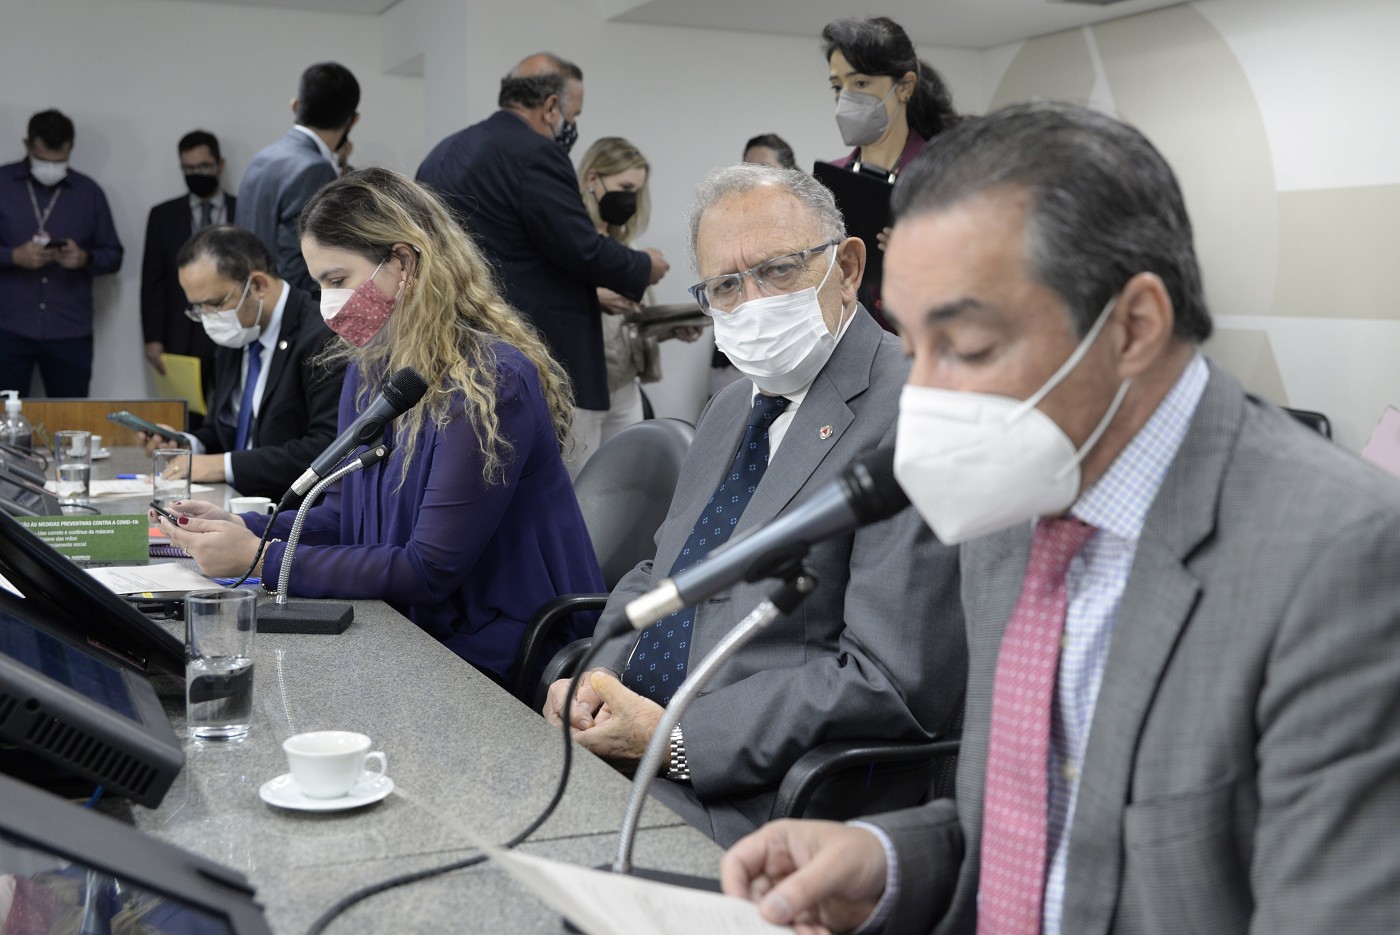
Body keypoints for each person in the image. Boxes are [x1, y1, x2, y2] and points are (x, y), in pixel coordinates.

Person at [721, 102, 1400, 934]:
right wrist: (887, 859)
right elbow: (1055, 822)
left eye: (968, 348)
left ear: (1134, 326)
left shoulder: (1346, 561)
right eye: (913, 350)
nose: (922, 400)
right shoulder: (1013, 501)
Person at [543, 164, 965, 847]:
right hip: (632, 749)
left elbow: (888, 680)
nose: (751, 304)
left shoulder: (915, 413)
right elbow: (659, 573)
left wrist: (673, 737)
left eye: (777, 271)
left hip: (765, 800)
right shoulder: (732, 404)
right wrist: (600, 674)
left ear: (847, 268)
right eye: (725, 286)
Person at [155, 168, 605, 685]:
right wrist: (247, 531)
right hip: (412, 624)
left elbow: (427, 569)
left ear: (403, 263)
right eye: (318, 283)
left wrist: (263, 562)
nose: (327, 304)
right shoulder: (370, 371)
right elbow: (344, 517)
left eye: (336, 280)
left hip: (501, 642)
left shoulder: (491, 382)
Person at [415, 53, 670, 476]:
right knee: (564, 490)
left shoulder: (443, 153)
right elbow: (580, 247)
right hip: (540, 357)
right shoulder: (537, 153)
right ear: (551, 107)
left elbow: (514, 255)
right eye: (573, 114)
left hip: (460, 352)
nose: (570, 125)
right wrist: (643, 265)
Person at [137, 225, 341, 499]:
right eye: (198, 308)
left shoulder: (323, 336)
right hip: (232, 502)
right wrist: (186, 445)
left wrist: (220, 466)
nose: (208, 318)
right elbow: (224, 429)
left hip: (293, 509)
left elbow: (327, 448)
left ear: (258, 285)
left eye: (214, 304)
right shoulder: (237, 332)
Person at [821, 17, 959, 333]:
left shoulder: (949, 176)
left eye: (860, 84)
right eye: (838, 86)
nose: (845, 98)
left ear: (905, 87)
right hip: (847, 344)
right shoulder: (830, 180)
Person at [575, 136, 699, 457]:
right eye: (626, 188)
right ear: (592, 178)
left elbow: (625, 330)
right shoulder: (573, 246)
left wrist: (668, 329)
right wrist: (594, 296)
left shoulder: (624, 248)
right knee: (578, 481)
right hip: (580, 389)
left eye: (637, 192)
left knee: (624, 476)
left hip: (624, 387)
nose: (630, 200)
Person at [0, 109, 123, 397]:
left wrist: (84, 259)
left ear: (71, 148)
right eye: (44, 160)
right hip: (8, 326)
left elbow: (114, 254)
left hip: (69, 330)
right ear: (27, 145)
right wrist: (13, 256)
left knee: (71, 417)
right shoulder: (2, 184)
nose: (51, 167)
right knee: (4, 416)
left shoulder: (88, 192)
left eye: (59, 161)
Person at [238, 62, 359, 295]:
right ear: (353, 120)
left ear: (295, 106)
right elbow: (299, 266)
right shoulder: (315, 169)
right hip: (292, 308)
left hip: (252, 300)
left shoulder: (261, 159)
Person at [140, 130, 234, 400]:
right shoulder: (163, 216)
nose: (196, 174)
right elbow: (153, 282)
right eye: (189, 168)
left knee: (231, 405)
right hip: (181, 332)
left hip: (233, 323)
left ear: (219, 165)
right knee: (186, 409)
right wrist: (153, 338)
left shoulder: (243, 208)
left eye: (203, 166)